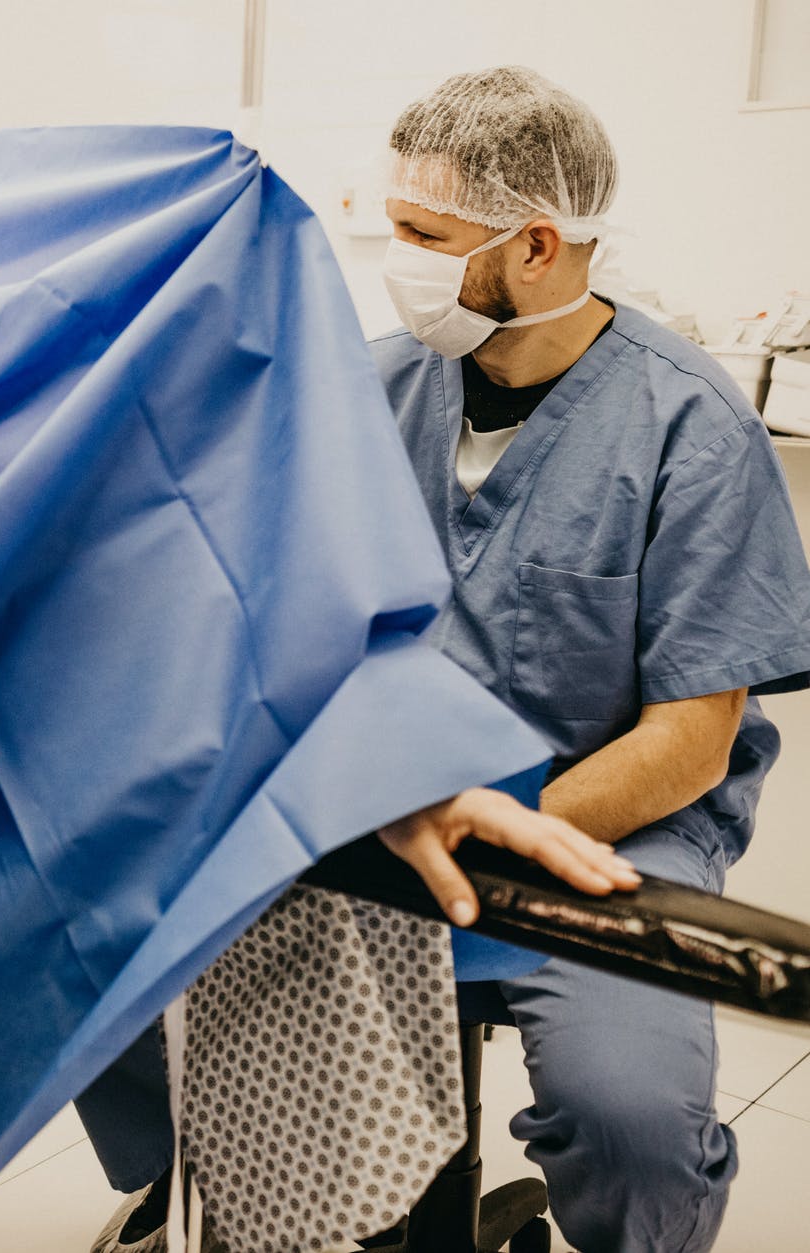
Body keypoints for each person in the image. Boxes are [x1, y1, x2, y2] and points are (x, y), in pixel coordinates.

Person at [370, 66, 810, 1252]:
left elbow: (687, 740)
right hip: (388, 803)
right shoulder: (374, 387)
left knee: (626, 1121)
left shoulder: (689, 427)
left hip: (608, 820)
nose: (391, 256)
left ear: (535, 245)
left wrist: (499, 831)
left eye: (422, 234)